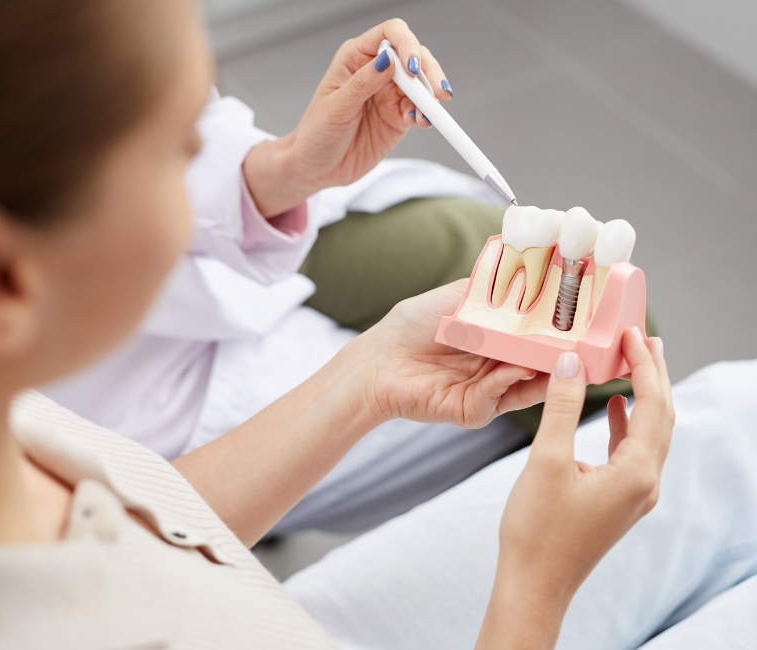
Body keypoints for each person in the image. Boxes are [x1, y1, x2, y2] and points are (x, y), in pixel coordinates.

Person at [0, 1, 676, 648]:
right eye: (178, 149)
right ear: (0, 280)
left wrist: (366, 378)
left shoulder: (14, 434)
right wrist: (533, 589)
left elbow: (151, 526)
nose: (204, 161)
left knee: (735, 419)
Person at [37, 5, 652, 534]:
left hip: (216, 263)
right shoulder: (55, 502)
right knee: (565, 389)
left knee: (515, 266)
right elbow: (159, 541)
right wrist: (363, 385)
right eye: (175, 150)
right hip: (161, 416)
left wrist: (285, 168)